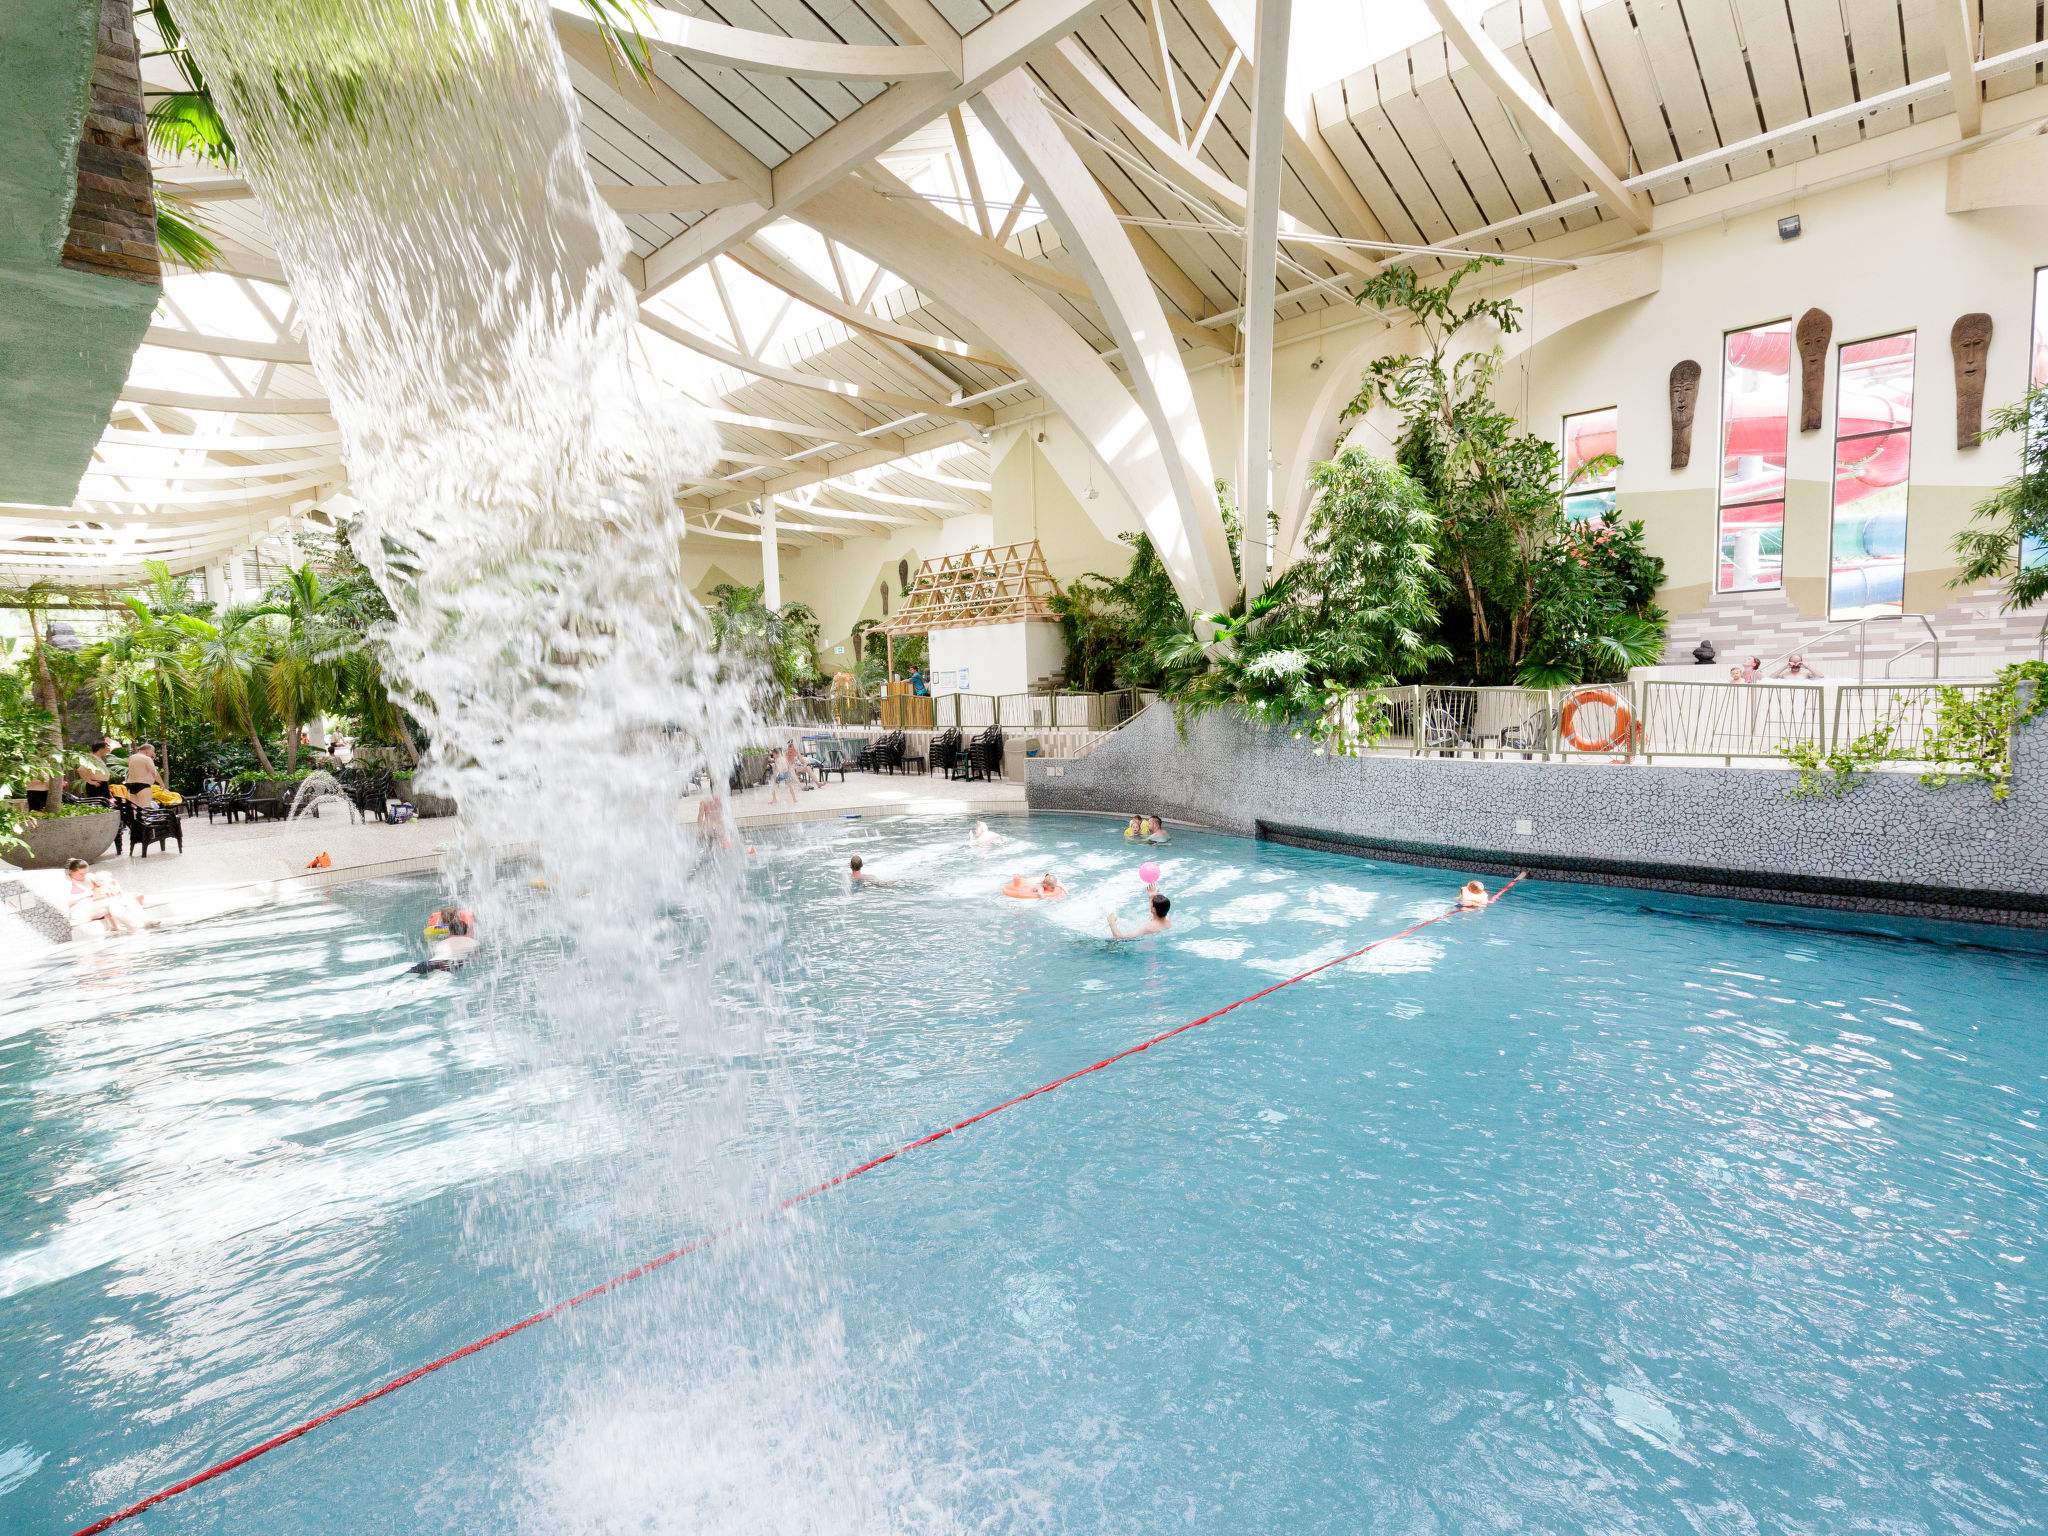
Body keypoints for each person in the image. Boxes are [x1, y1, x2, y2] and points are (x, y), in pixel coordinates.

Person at [65, 857, 158, 934]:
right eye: (81, 874)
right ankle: (134, 926)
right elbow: (66, 902)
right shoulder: (66, 882)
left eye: (85, 872)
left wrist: (115, 890)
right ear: (71, 871)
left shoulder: (90, 877)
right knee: (112, 902)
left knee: (127, 897)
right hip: (81, 909)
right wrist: (87, 894)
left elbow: (110, 882)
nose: (84, 876)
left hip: (100, 904)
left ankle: (146, 921)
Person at [413, 915, 478, 974]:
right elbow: (475, 957)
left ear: (449, 932)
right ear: (466, 931)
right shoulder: (473, 942)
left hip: (427, 964)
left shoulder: (440, 944)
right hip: (449, 964)